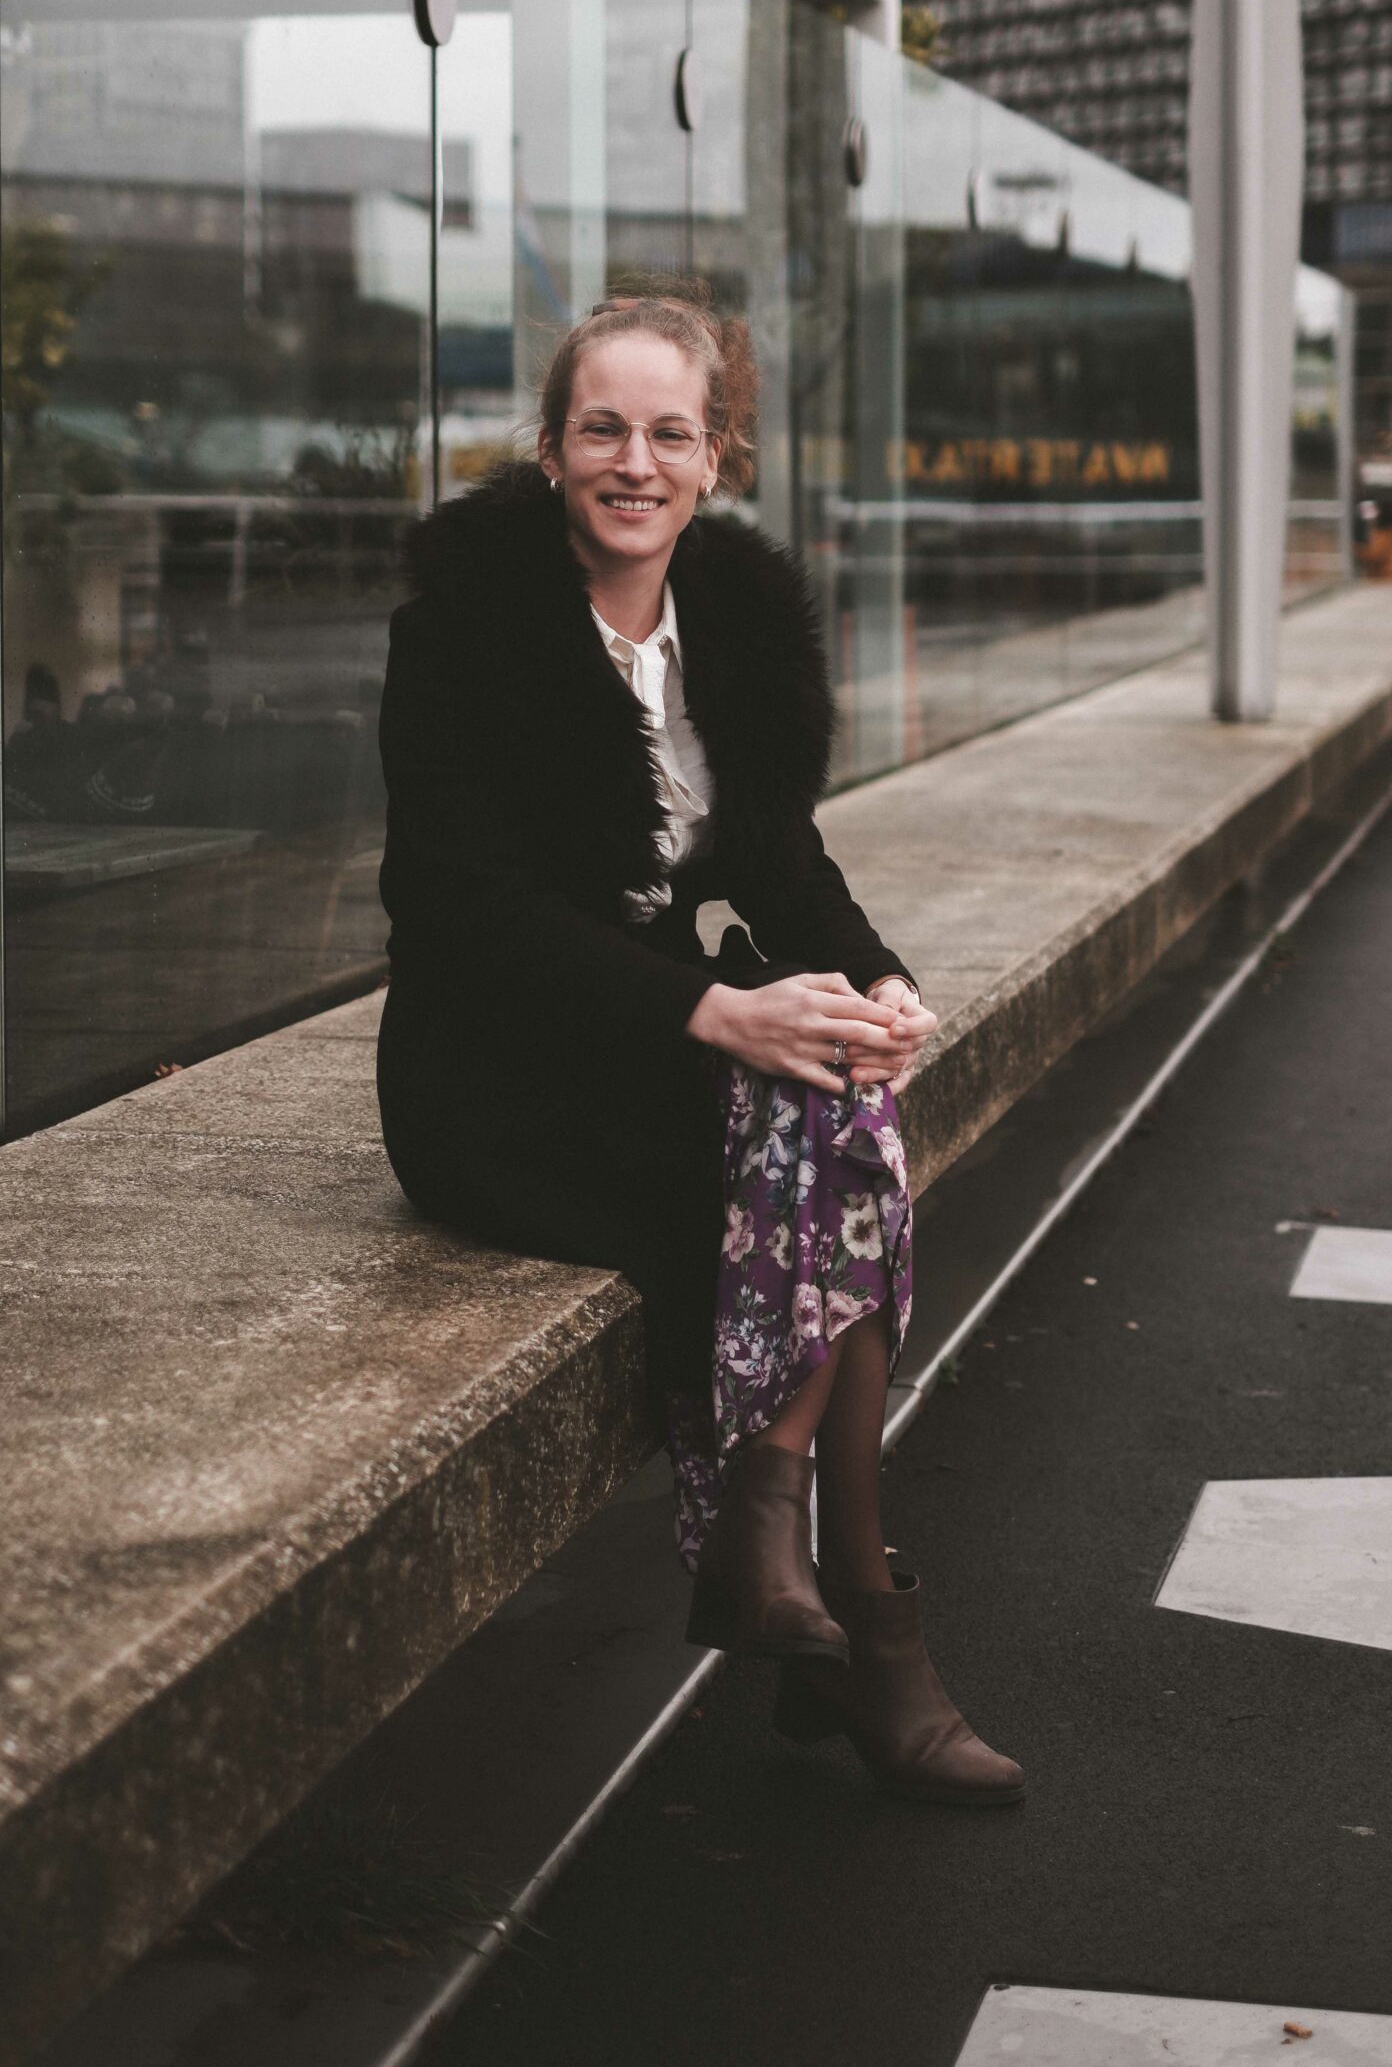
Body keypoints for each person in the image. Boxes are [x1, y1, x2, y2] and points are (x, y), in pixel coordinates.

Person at [376, 289, 1023, 1806]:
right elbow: (455, 908)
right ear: (550, 448)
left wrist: (881, 984)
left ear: (716, 458)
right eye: (603, 429)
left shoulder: (732, 621)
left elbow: (781, 865)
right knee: (818, 1141)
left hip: (656, 1059)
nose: (636, 462)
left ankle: (785, 1551)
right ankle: (859, 1628)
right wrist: (716, 1011)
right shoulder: (465, 626)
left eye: (671, 434)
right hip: (496, 1076)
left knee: (841, 1095)